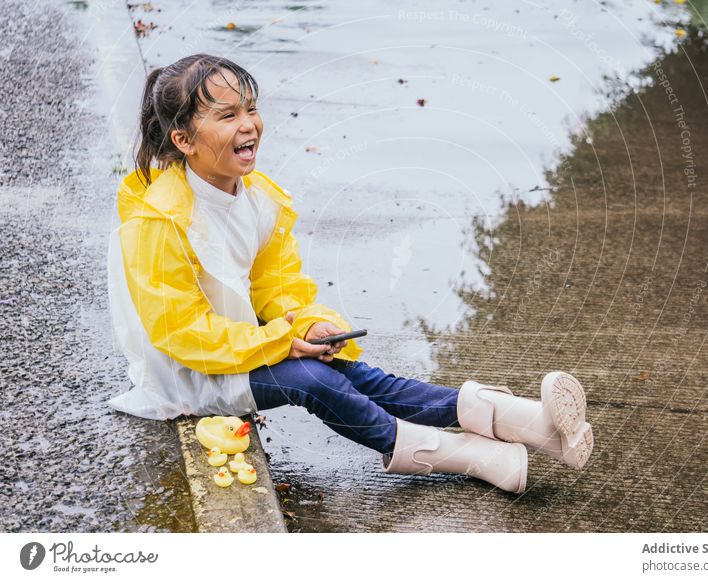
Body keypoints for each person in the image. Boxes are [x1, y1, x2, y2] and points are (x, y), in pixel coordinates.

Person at [106, 54, 594, 495]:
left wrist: (304, 324)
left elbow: (275, 285)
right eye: (228, 115)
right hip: (189, 371)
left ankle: (529, 423)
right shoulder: (159, 221)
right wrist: (281, 341)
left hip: (242, 344)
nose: (249, 125)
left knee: (351, 371)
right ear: (183, 140)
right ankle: (468, 456)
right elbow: (179, 331)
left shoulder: (259, 198)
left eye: (251, 109)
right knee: (315, 382)